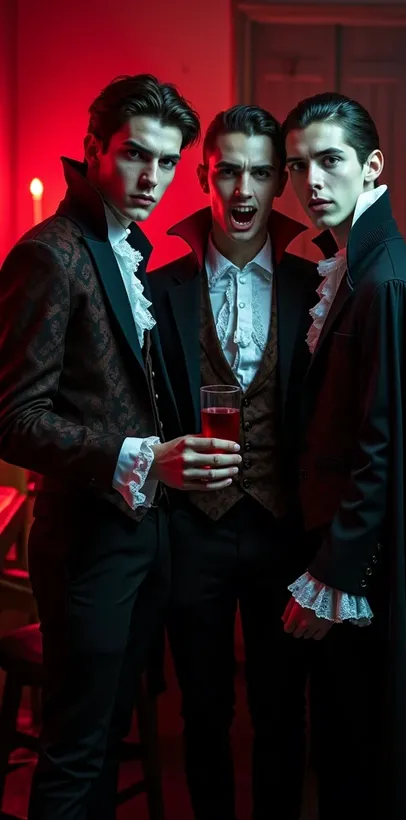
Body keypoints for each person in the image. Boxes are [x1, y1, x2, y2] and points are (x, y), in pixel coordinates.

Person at [0, 73, 241, 820]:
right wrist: (139, 456)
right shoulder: (50, 253)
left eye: (169, 163)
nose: (153, 179)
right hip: (84, 544)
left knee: (107, 739)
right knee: (75, 753)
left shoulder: (129, 245)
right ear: (93, 149)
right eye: (137, 155)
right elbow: (11, 416)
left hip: (146, 535)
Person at [281, 91, 406, 820]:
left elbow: (380, 450)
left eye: (330, 162)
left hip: (366, 576)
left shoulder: (389, 282)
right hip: (354, 562)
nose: (312, 184)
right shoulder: (361, 267)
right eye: (299, 167)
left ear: (372, 165)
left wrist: (331, 578)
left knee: (365, 760)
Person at [148, 104, 318, 820]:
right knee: (204, 712)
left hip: (284, 531)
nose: (242, 189)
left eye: (258, 172)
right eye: (227, 171)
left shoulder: (317, 288)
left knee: (282, 712)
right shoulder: (159, 291)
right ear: (203, 176)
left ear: (280, 180)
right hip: (196, 531)